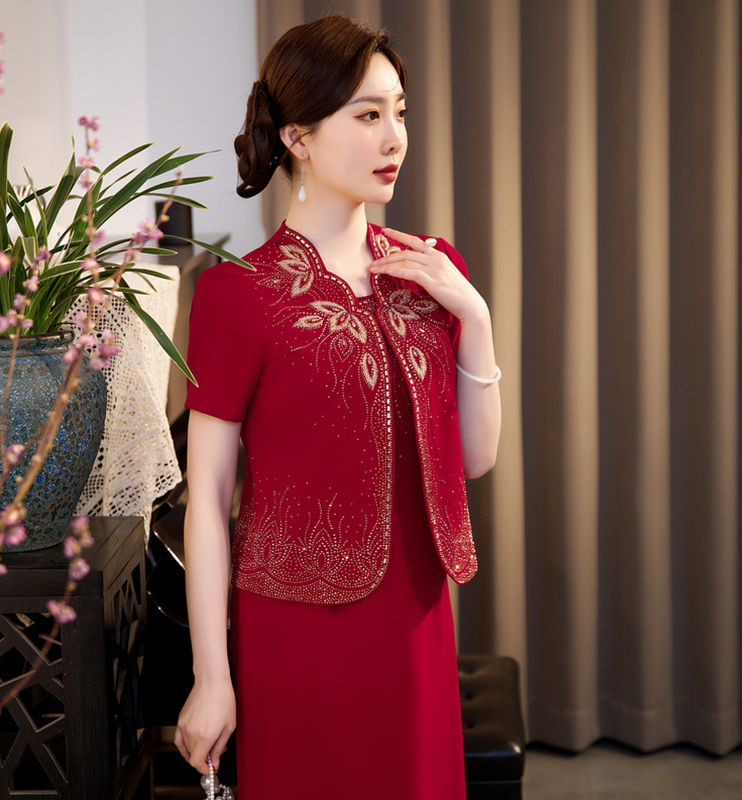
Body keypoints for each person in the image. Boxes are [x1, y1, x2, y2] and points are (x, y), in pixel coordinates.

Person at [174, 15, 501, 800]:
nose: (395, 137)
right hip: (295, 629)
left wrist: (477, 317)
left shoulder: (433, 270)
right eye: (367, 115)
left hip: (415, 616)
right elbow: (207, 499)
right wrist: (211, 676)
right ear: (297, 136)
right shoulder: (236, 295)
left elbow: (475, 459)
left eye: (400, 113)